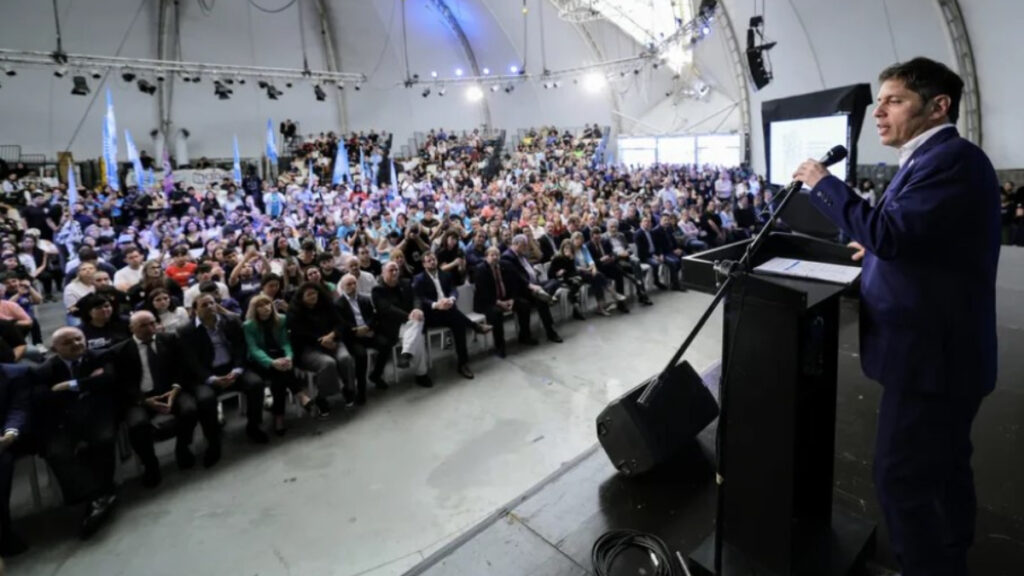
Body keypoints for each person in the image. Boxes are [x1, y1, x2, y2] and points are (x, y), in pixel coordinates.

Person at [793, 57, 999, 576]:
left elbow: (892, 232)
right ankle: (950, 554)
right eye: (879, 101)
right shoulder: (928, 158)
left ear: (938, 106)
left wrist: (823, 182)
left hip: (932, 361)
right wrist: (879, 248)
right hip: (940, 354)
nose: (879, 113)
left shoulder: (949, 159)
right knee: (946, 467)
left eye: (894, 101)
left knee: (901, 478)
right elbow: (909, 236)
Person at [30, 327, 119, 539]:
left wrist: (73, 384)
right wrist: (89, 384)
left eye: (79, 339)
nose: (77, 344)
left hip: (97, 415)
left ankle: (100, 494)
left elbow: (108, 379)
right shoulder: (44, 370)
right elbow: (42, 398)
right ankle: (96, 496)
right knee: (56, 453)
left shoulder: (100, 355)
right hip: (63, 421)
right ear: (55, 348)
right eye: (68, 342)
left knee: (104, 439)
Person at [112, 311, 215, 485]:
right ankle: (150, 464)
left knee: (189, 410)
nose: (150, 328)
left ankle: (183, 447)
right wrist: (143, 401)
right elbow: (122, 383)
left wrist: (175, 388)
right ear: (132, 328)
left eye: (152, 323)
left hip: (171, 390)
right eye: (143, 325)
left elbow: (182, 367)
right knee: (137, 425)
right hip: (141, 397)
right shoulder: (120, 350)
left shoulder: (169, 339)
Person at [179, 293, 269, 446]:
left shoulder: (230, 321)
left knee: (256, 384)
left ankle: (254, 426)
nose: (210, 307)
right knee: (205, 399)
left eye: (212, 303)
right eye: (204, 305)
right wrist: (212, 379)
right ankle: (213, 440)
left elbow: (241, 347)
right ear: (195, 310)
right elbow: (192, 362)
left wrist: (236, 371)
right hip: (207, 374)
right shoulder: (186, 331)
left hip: (233, 368)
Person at [412, 252, 490, 379]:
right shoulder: (419, 278)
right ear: (424, 264)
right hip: (432, 315)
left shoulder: (445, 275)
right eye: (429, 260)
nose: (432, 262)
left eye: (433, 259)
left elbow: (453, 289)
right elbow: (420, 299)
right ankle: (475, 327)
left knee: (458, 325)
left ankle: (463, 364)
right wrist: (436, 305)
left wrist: (451, 299)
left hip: (448, 310)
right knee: (455, 316)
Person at [243, 295, 314, 435]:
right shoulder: (248, 325)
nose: (266, 308)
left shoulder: (281, 319)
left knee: (279, 377)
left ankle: (279, 417)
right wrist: (271, 362)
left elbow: (285, 342)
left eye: (268, 304)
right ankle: (300, 395)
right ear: (254, 309)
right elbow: (254, 349)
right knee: (280, 371)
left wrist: (289, 356)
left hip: (279, 358)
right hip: (259, 362)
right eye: (261, 306)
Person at [287, 282, 347, 414]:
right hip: (308, 348)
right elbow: (301, 335)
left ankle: (348, 389)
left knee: (345, 358)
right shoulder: (295, 313)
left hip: (332, 340)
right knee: (328, 363)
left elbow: (340, 323)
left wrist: (332, 335)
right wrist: (322, 341)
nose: (313, 296)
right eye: (309, 294)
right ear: (301, 297)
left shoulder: (326, 305)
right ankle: (322, 398)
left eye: (314, 293)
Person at [372, 261, 432, 388]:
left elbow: (416, 298)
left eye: (396, 270)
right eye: (391, 270)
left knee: (418, 324)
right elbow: (386, 308)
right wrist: (409, 316)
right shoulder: (377, 289)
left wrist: (417, 309)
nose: (394, 272)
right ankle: (421, 374)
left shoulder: (405, 282)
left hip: (411, 323)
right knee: (418, 334)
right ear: (383, 273)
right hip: (393, 326)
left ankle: (406, 353)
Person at [335, 274, 393, 401]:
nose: (352, 286)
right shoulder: (339, 304)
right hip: (353, 337)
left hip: (367, 332)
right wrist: (356, 331)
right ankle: (361, 390)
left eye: (354, 283)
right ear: (342, 287)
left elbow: (373, 316)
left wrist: (368, 327)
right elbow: (341, 324)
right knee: (361, 356)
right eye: (349, 284)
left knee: (386, 344)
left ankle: (376, 375)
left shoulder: (364, 299)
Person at [500, 235, 562, 345]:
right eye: (524, 246)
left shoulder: (521, 254)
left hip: (534, 285)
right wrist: (531, 286)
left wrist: (533, 271)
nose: (526, 248)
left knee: (555, 281)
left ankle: (544, 293)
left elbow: (526, 268)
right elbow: (517, 277)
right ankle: (550, 332)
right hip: (522, 290)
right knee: (541, 301)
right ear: (516, 244)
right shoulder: (507, 257)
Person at [0, 364, 30, 556]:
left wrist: (10, 434)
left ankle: (4, 532)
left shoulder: (15, 374)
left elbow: (18, 408)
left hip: (5, 439)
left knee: (2, 463)